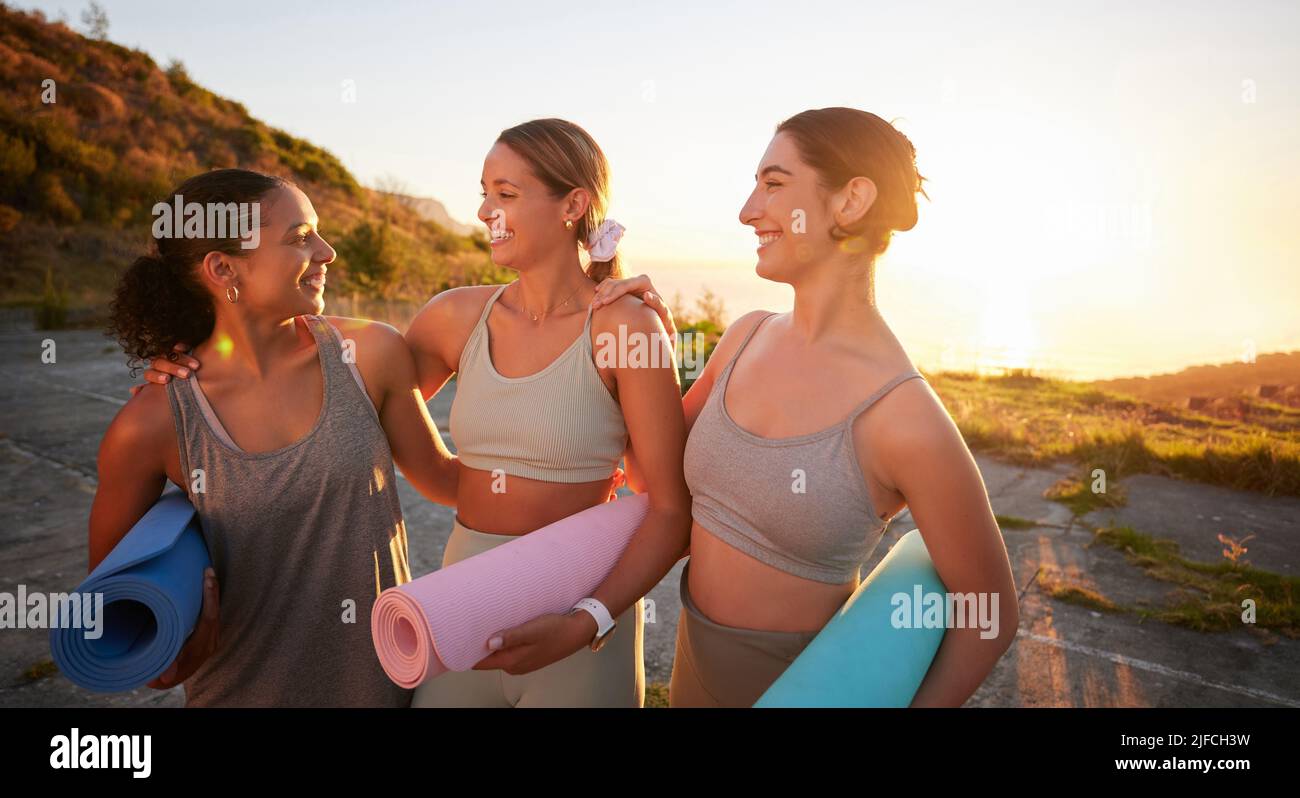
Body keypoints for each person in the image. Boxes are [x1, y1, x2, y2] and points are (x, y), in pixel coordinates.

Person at [589, 107, 1020, 707]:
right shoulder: (743, 338)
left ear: (850, 201)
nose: (747, 210)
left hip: (805, 692)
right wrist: (644, 343)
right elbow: (651, 481)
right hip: (691, 678)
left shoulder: (903, 417)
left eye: (773, 184)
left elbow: (991, 611)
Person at [94, 168, 458, 706]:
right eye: (299, 238)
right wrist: (164, 660)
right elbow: (111, 605)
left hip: (389, 690)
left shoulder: (369, 355)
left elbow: (449, 481)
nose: (328, 252)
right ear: (222, 268)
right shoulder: (151, 422)